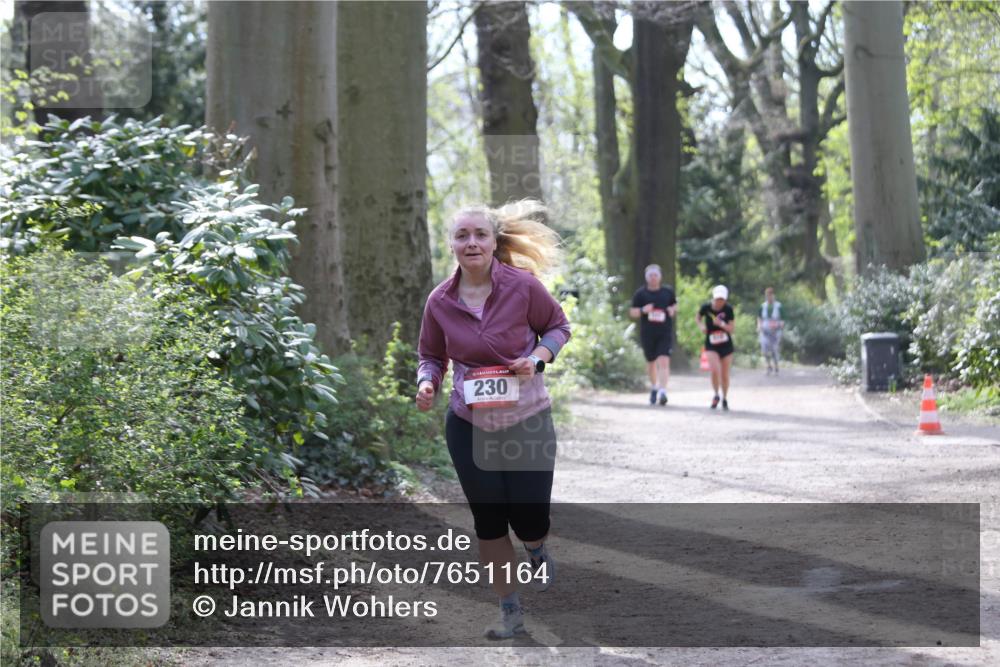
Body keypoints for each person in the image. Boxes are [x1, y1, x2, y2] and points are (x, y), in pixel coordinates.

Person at [415, 199, 571, 639]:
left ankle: (537, 547)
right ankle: (509, 609)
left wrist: (536, 359)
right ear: (451, 245)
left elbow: (558, 328)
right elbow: (430, 354)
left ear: (494, 242)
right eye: (462, 236)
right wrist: (428, 382)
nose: (471, 243)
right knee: (489, 519)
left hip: (528, 419)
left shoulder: (524, 287)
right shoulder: (439, 301)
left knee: (528, 519)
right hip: (468, 423)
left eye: (480, 235)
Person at [629, 264, 678, 405]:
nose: (653, 278)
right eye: (650, 275)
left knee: (664, 360)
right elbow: (632, 312)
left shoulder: (668, 292)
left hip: (665, 332)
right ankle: (654, 387)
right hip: (648, 334)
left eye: (655, 275)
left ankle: (663, 391)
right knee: (651, 363)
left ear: (660, 277)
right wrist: (644, 310)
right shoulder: (641, 294)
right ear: (646, 278)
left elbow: (675, 305)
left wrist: (671, 309)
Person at [697, 285, 735, 410]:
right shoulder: (706, 308)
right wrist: (701, 326)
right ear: (714, 297)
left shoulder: (728, 309)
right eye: (717, 299)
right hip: (711, 343)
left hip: (726, 344)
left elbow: (732, 329)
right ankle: (716, 394)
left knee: (724, 374)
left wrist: (722, 324)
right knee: (715, 370)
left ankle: (725, 397)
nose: (720, 302)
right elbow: (698, 317)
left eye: (722, 299)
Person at [757, 287, 784, 375]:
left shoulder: (779, 306)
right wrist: (759, 326)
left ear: (773, 296)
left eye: (770, 295)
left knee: (774, 349)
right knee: (764, 349)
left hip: (776, 331)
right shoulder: (762, 306)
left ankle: (776, 366)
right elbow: (759, 318)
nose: (769, 297)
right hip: (765, 330)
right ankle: (768, 366)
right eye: (767, 296)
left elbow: (783, 320)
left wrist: (778, 325)